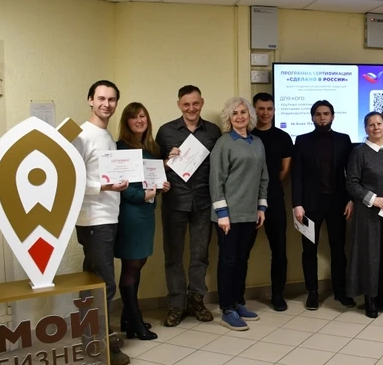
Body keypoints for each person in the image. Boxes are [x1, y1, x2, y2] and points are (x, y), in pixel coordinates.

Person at [72, 80, 130, 365]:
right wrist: (106, 187)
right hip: (93, 220)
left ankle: (91, 340)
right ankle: (100, 344)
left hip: (108, 217)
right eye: (101, 98)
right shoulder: (82, 136)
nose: (106, 104)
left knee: (93, 281)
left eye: (112, 99)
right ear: (90, 100)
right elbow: (72, 181)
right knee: (104, 284)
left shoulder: (106, 136)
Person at [156, 85, 221, 327]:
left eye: (195, 103)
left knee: (200, 255)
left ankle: (196, 301)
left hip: (204, 202)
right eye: (186, 104)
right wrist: (166, 161)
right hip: (174, 202)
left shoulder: (213, 132)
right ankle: (176, 304)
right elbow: (152, 168)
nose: (191, 108)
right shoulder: (166, 132)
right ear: (179, 105)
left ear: (201, 103)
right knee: (173, 255)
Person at [210, 97, 268, 331]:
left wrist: (261, 207)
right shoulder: (224, 143)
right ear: (229, 118)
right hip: (228, 216)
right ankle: (227, 309)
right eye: (235, 113)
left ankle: (238, 302)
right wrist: (222, 214)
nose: (240, 116)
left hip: (250, 214)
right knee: (228, 261)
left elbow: (263, 177)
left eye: (243, 112)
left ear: (250, 115)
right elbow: (216, 180)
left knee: (242, 260)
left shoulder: (257, 142)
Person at [292, 100, 356, 310]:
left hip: (337, 203)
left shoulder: (344, 140)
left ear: (333, 116)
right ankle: (312, 292)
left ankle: (340, 291)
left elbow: (351, 174)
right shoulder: (302, 141)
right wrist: (297, 204)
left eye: (326, 114)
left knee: (338, 248)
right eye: (318, 114)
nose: (322, 117)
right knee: (309, 250)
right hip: (309, 205)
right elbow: (297, 175)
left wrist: (350, 199)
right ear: (312, 117)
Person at [114, 102, 170, 341]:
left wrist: (161, 186)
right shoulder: (120, 148)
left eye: (143, 116)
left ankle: (128, 320)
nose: (139, 121)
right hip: (130, 214)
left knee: (139, 263)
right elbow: (122, 187)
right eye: (134, 117)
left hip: (146, 214)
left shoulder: (150, 147)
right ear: (126, 122)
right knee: (131, 265)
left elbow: (149, 180)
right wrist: (143, 195)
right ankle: (135, 322)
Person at [345, 112, 383, 318]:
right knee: (370, 255)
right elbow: (352, 183)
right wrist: (373, 199)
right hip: (368, 213)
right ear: (365, 129)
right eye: (371, 125)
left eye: (379, 123)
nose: (376, 127)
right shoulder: (359, 152)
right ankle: (370, 299)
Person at [250, 93, 294, 312]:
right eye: (261, 108)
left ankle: (278, 294)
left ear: (274, 111)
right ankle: (237, 296)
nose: (265, 113)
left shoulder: (283, 137)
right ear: (254, 110)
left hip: (274, 198)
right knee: (242, 250)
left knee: (279, 249)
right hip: (247, 200)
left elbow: (285, 170)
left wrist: (268, 186)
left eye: (269, 109)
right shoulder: (246, 135)